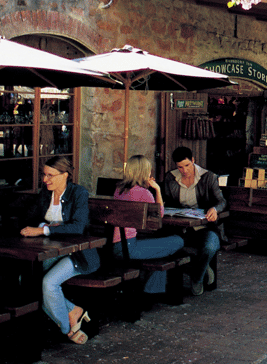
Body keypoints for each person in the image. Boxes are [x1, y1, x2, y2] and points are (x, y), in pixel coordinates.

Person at [20, 156, 100, 345]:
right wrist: (42, 224)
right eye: (44, 175)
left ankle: (66, 330)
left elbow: (78, 227)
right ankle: (73, 311)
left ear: (65, 175)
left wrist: (44, 229)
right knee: (29, 280)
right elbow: (29, 218)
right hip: (51, 250)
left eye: (50, 175)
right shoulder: (46, 194)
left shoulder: (78, 193)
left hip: (78, 253)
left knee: (48, 283)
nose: (45, 179)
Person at [113, 155, 184, 296]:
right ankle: (151, 292)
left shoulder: (119, 190)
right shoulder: (143, 193)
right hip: (129, 248)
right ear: (145, 172)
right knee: (177, 241)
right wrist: (157, 190)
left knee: (159, 248)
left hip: (114, 246)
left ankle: (152, 289)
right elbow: (159, 215)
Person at [163, 146, 226, 296]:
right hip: (180, 228)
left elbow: (222, 202)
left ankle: (197, 277)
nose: (184, 170)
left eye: (187, 165)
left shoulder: (208, 177)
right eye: (180, 167)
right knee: (167, 245)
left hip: (205, 228)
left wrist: (214, 209)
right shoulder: (170, 178)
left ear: (193, 160)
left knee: (210, 247)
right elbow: (166, 203)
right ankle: (202, 270)